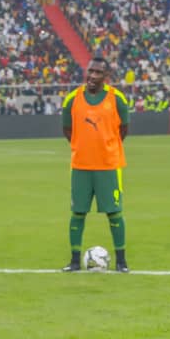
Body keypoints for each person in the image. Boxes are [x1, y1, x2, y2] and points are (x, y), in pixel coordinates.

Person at [60, 57, 130, 273]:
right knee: (78, 213)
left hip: (108, 166)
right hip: (81, 166)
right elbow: (67, 130)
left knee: (114, 213)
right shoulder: (72, 99)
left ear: (106, 76)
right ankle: (74, 260)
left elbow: (124, 129)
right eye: (90, 71)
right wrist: (83, 147)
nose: (92, 76)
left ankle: (121, 261)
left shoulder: (117, 99)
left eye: (98, 72)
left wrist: (106, 147)